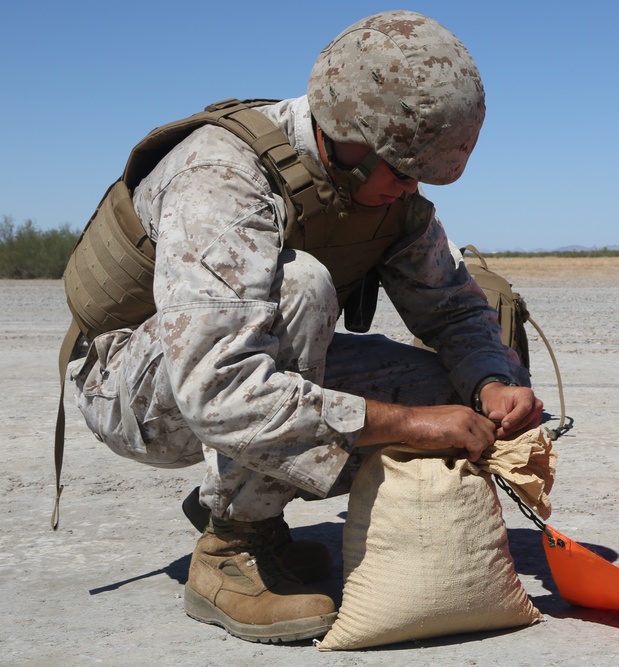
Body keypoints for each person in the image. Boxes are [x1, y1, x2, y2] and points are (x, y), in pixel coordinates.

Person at [69, 10, 543, 644]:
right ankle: (232, 547)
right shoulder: (219, 176)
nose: (409, 188)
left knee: (453, 394)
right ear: (345, 130)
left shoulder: (389, 193)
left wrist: (491, 381)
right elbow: (217, 389)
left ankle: (233, 489)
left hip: (232, 370)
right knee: (301, 285)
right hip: (137, 391)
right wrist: (406, 425)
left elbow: (453, 309)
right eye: (400, 169)